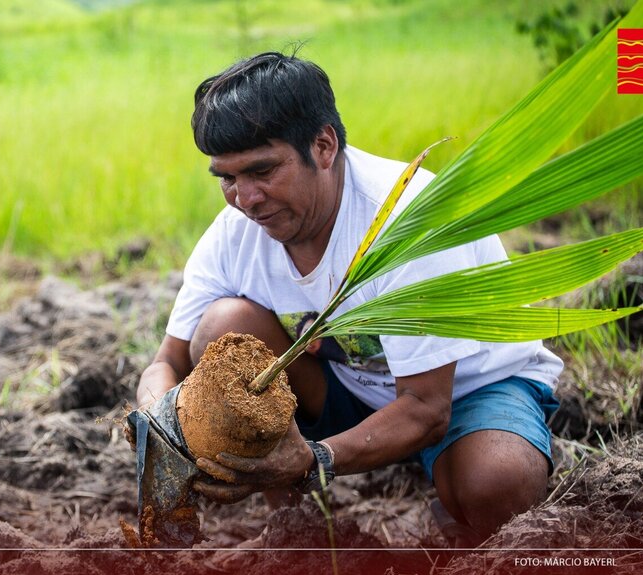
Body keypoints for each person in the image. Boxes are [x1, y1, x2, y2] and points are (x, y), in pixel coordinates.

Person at [134, 51, 563, 543]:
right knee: (222, 328)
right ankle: (297, 525)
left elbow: (426, 406)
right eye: (228, 179)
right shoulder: (235, 233)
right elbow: (166, 361)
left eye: (262, 171)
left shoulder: (405, 220)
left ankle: (449, 479)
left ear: (323, 146)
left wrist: (315, 459)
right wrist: (155, 424)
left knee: (497, 486)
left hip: (466, 393)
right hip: (346, 390)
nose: (245, 199)